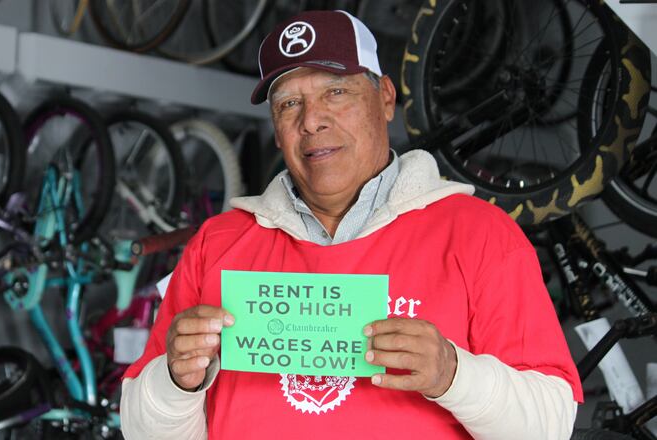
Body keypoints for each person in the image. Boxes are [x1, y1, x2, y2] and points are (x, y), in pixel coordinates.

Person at [120, 10, 582, 440]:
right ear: (276, 128)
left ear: (384, 98)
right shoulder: (217, 243)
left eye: (335, 92)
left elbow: (551, 425)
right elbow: (141, 429)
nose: (312, 121)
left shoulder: (480, 234)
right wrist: (176, 383)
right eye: (288, 104)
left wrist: (452, 374)